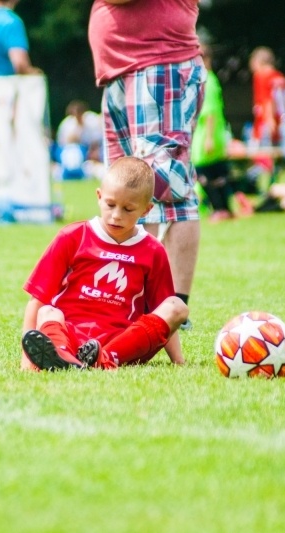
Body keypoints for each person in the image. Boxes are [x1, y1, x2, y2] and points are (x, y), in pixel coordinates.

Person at [88, 0, 204, 330]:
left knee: (167, 188)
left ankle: (172, 308)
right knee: (127, 185)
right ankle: (136, 302)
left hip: (158, 63)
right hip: (124, 69)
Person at [19, 157, 189, 371]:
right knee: (48, 312)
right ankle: (62, 355)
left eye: (128, 209)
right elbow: (37, 299)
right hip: (69, 333)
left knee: (177, 307)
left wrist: (178, 361)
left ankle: (103, 358)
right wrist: (27, 360)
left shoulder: (153, 250)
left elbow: (161, 314)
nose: (116, 216)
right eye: (110, 205)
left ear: (146, 210)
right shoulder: (72, 236)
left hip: (124, 342)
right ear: (99, 197)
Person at [191, 44, 242, 221]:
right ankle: (225, 208)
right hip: (209, 134)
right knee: (218, 172)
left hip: (207, 135)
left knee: (203, 172)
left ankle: (220, 208)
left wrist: (210, 138)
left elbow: (210, 111)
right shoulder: (209, 79)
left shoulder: (207, 81)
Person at [249, 47, 285, 147]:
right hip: (283, 121)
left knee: (264, 155)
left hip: (266, 121)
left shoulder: (261, 75)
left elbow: (267, 99)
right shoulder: (280, 77)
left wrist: (269, 120)